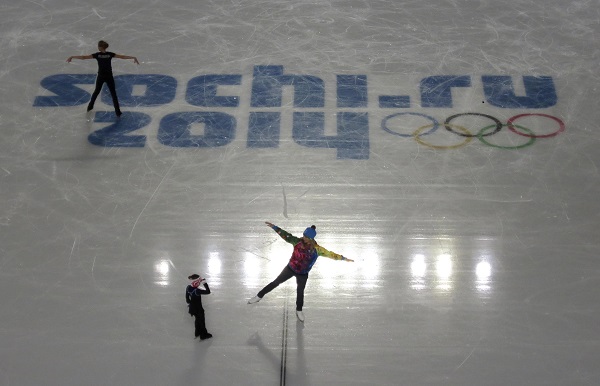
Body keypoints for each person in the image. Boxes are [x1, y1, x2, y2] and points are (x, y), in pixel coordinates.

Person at [248, 222, 354, 322]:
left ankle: (299, 310)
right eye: (304, 235)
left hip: (303, 274)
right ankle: (259, 296)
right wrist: (275, 227)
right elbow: (286, 235)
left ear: (311, 239)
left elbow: (331, 254)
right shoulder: (297, 242)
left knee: (300, 292)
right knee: (276, 282)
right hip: (290, 269)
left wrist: (343, 258)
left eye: (306, 237)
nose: (304, 238)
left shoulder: (317, 249)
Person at [66, 40, 139, 117]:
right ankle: (118, 112)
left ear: (101, 47)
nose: (98, 47)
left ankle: (90, 107)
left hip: (101, 76)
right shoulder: (110, 54)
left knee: (96, 92)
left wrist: (72, 56)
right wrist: (133, 57)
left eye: (98, 46)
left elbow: (84, 57)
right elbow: (122, 57)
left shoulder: (97, 55)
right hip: (109, 77)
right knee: (113, 94)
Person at [185, 274, 213, 340]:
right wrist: (205, 283)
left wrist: (190, 304)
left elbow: (187, 299)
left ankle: (197, 333)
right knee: (201, 321)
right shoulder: (197, 291)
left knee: (197, 320)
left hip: (192, 309)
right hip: (198, 309)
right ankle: (203, 335)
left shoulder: (188, 287)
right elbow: (208, 291)